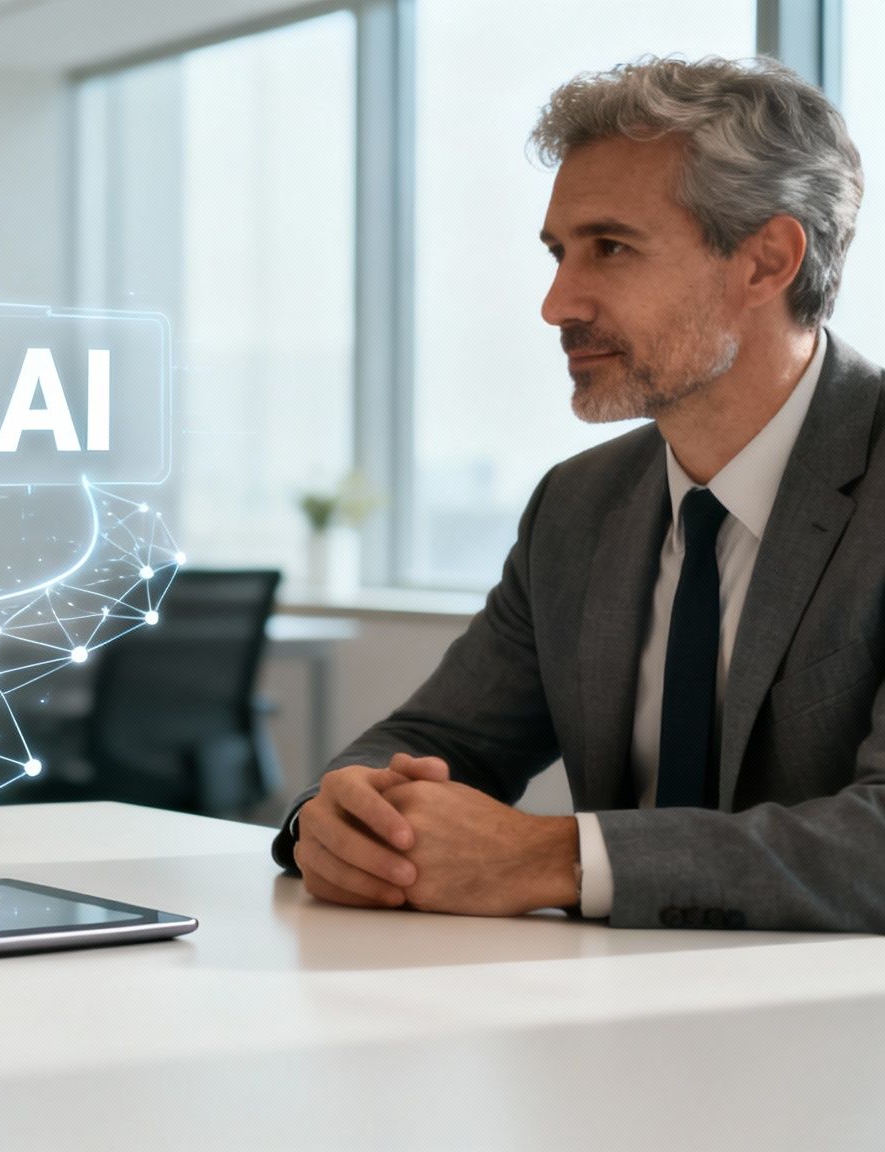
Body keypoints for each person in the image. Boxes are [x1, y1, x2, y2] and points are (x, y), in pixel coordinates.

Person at [276, 54, 885, 933]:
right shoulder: (578, 504)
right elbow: (441, 743)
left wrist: (550, 857)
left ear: (766, 261)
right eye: (560, 254)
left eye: (611, 247)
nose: (557, 302)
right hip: (595, 1027)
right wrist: (338, 820)